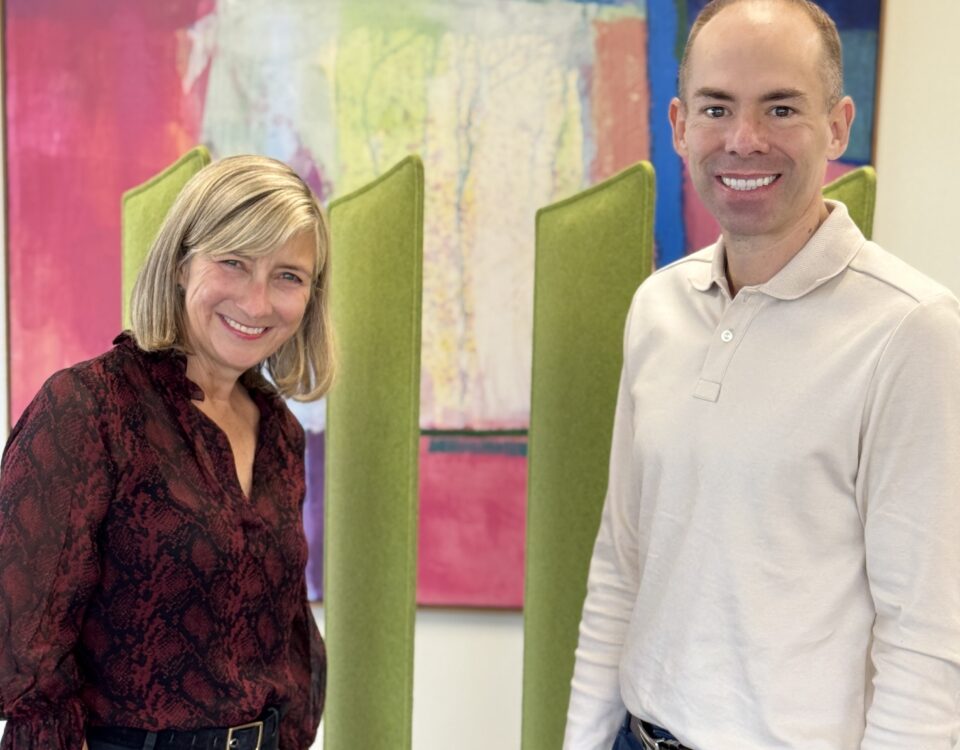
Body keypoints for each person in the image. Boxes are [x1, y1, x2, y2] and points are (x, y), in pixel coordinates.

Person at [564, 1, 960, 748]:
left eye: (781, 108)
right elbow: (621, 561)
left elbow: (927, 640)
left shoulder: (912, 330)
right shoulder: (657, 308)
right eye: (717, 108)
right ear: (680, 126)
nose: (744, 139)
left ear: (837, 126)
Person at [0, 155, 334, 750]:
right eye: (234, 262)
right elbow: (21, 648)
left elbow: (284, 633)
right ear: (182, 265)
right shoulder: (91, 406)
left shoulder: (281, 432)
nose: (258, 303)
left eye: (288, 275)